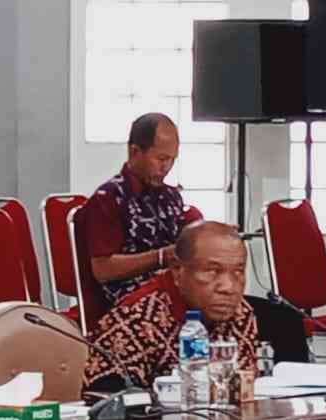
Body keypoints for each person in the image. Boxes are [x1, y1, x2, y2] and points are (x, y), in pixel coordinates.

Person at [83, 221, 262, 392]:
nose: (228, 287)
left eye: (238, 272)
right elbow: (102, 401)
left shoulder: (241, 312)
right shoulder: (136, 319)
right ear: (177, 271)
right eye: (212, 271)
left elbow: (245, 389)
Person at [76, 113, 202, 314]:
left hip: (171, 290)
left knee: (227, 301)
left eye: (172, 160)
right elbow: (103, 269)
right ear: (135, 152)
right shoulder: (108, 198)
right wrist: (162, 256)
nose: (166, 168)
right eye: (161, 159)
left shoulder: (171, 196)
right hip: (130, 303)